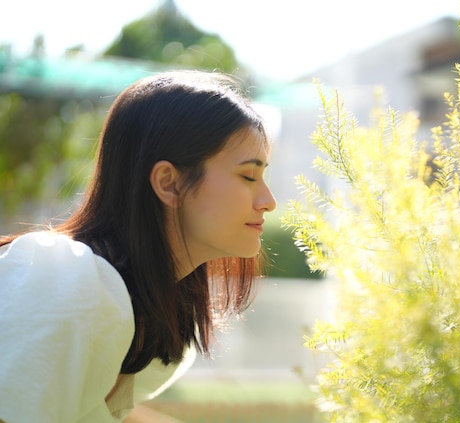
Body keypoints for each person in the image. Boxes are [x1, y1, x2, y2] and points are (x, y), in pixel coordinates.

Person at [0, 70, 277, 422]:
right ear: (169, 183)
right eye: (248, 176)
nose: (268, 200)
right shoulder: (71, 280)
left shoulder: (148, 316)